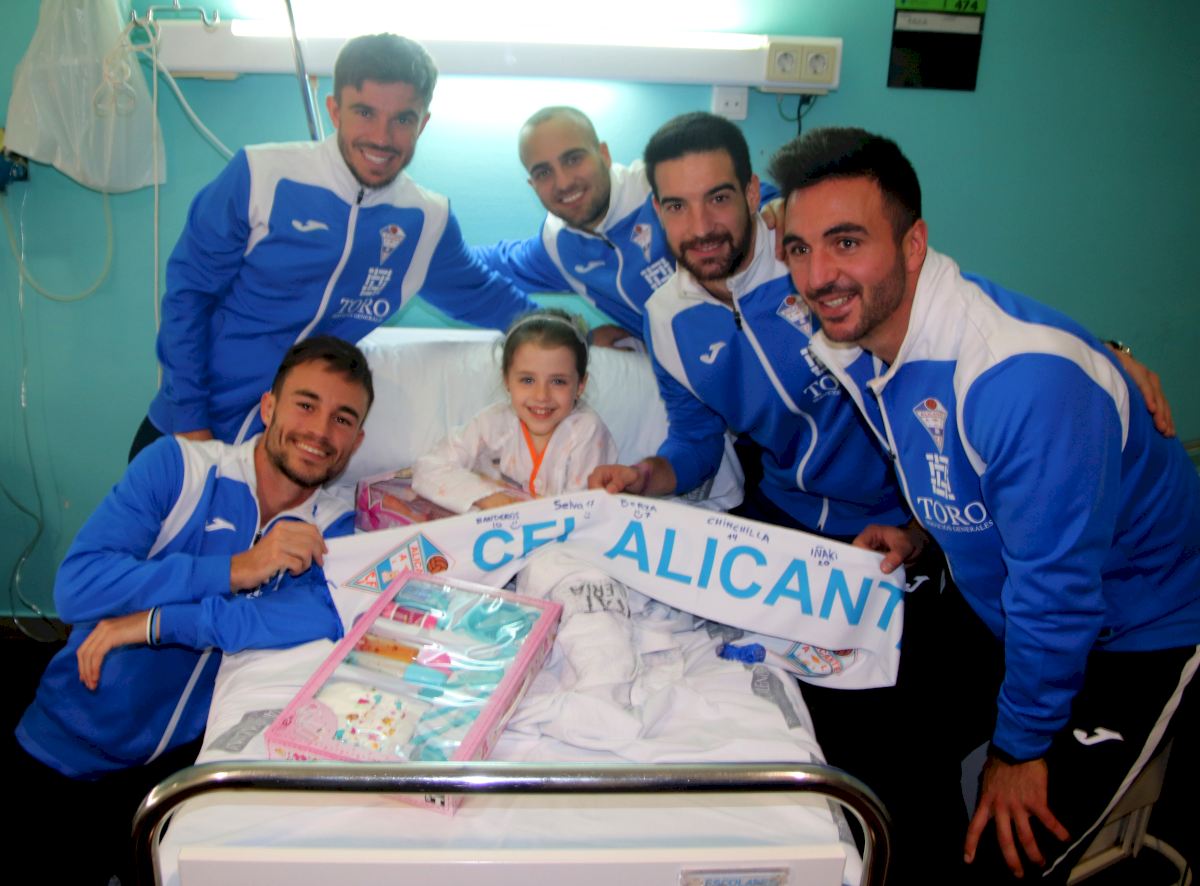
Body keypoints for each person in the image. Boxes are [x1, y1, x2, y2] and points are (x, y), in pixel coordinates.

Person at [770, 126, 1200, 883]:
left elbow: (1059, 589)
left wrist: (1019, 748)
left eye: (846, 242)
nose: (817, 275)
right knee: (850, 736)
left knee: (1003, 851)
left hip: (1132, 628)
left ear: (913, 244)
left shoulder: (1016, 379)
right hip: (1004, 603)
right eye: (799, 249)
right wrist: (919, 532)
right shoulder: (863, 344)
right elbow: (964, 473)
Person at [13, 335, 374, 884]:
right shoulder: (179, 468)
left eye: (342, 419)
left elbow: (314, 616)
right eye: (306, 404)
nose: (320, 431)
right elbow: (77, 587)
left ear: (358, 439)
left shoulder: (337, 532)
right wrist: (234, 569)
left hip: (182, 776)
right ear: (269, 407)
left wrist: (154, 624)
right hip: (71, 743)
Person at [132, 33, 538, 459]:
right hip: (190, 431)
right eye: (365, 112)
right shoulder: (260, 175)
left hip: (291, 451)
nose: (382, 137)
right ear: (334, 110)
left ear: (423, 123)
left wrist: (574, 338)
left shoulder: (426, 221)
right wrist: (192, 429)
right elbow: (188, 299)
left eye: (403, 119)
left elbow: (488, 297)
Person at [474, 106, 779, 348]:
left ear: (604, 154)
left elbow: (755, 201)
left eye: (573, 159)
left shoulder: (658, 185)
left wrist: (784, 206)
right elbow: (467, 270)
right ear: (532, 184)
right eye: (543, 173)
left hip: (779, 345)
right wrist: (574, 335)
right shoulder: (557, 246)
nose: (563, 182)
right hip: (698, 384)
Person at [413, 307, 619, 511]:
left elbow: (582, 513)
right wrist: (487, 497)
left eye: (558, 381)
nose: (541, 396)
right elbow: (429, 467)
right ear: (507, 380)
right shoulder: (495, 422)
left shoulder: (586, 431)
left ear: (580, 385)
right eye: (527, 380)